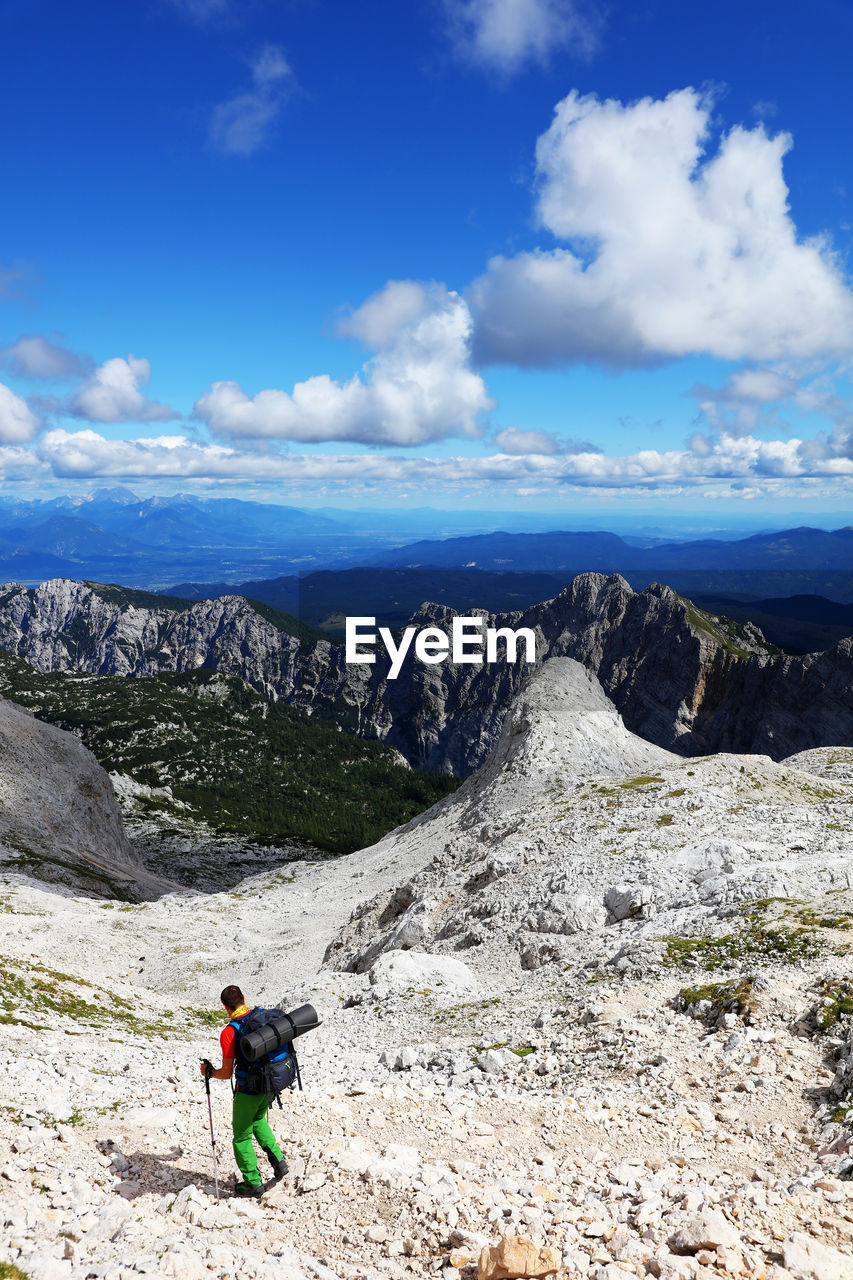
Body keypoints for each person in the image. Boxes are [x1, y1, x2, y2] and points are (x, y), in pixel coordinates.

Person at [200, 983, 288, 1198]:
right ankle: (279, 1162)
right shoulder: (262, 1018)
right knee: (258, 1120)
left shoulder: (230, 1032)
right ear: (244, 998)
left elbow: (226, 1073)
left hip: (247, 1089)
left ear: (225, 1007)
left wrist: (209, 1072)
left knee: (241, 1137)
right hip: (269, 1083)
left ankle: (252, 1182)